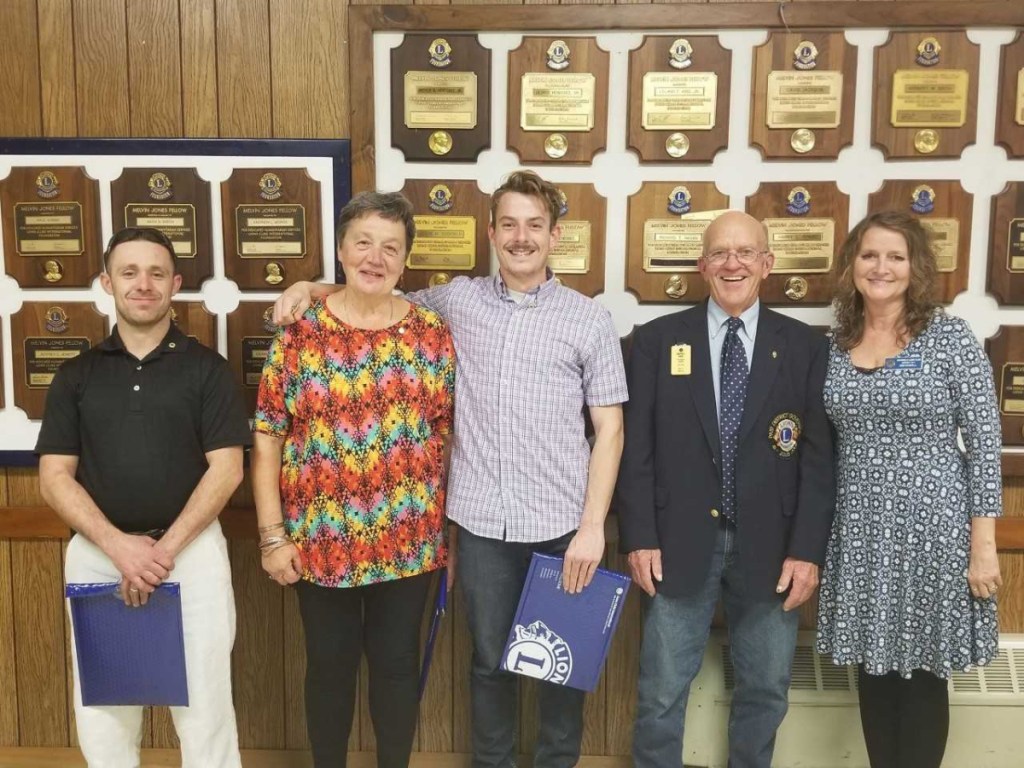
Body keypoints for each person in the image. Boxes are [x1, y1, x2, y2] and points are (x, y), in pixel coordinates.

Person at [272, 170, 627, 768]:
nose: (521, 237)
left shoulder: (587, 318)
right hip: (482, 526)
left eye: (534, 226)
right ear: (491, 232)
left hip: (564, 528)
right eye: (509, 224)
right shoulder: (454, 303)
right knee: (489, 665)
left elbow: (610, 429)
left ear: (554, 236)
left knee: (562, 669)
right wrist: (310, 285)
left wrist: (592, 528)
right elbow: (372, 294)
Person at [616, 211, 835, 768]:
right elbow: (634, 448)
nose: (732, 264)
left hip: (774, 548)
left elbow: (817, 460)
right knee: (662, 691)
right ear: (701, 266)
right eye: (719, 253)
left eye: (745, 253)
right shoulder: (657, 341)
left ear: (768, 264)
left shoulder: (808, 347)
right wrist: (639, 536)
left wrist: (808, 551)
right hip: (678, 541)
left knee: (765, 690)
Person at [252, 191, 456, 768]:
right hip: (319, 541)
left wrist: (444, 533)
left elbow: (443, 433)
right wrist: (272, 536)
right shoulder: (298, 333)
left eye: (391, 247)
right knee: (329, 669)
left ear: (406, 260)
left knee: (396, 669)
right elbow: (267, 437)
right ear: (341, 250)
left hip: (409, 543)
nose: (376, 256)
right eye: (363, 242)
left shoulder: (430, 333)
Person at [37, 227, 250, 768]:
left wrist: (160, 552)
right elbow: (55, 476)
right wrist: (120, 548)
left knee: (205, 710)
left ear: (175, 284)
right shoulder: (75, 375)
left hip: (192, 556)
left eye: (157, 273)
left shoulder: (208, 370)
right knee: (106, 714)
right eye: (129, 272)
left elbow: (227, 470)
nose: (143, 284)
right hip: (99, 558)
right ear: (107, 282)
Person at [815, 211, 1002, 768]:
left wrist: (983, 544)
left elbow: (986, 443)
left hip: (935, 532)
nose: (881, 267)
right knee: (873, 671)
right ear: (851, 265)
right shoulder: (835, 341)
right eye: (869, 255)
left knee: (921, 674)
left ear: (916, 267)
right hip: (859, 532)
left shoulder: (948, 336)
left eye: (896, 256)